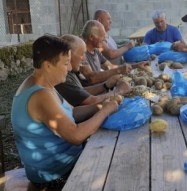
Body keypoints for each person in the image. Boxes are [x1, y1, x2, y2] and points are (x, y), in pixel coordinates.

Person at [11, 35, 118, 189]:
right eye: (66, 63)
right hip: (55, 177)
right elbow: (75, 136)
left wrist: (100, 105)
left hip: (68, 162)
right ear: (48, 66)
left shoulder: (43, 84)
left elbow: (72, 112)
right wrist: (105, 112)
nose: (69, 68)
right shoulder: (40, 95)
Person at [55, 34, 131, 107]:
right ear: (69, 55)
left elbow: (81, 92)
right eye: (82, 54)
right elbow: (90, 101)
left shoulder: (70, 71)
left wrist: (107, 84)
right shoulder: (62, 78)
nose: (84, 59)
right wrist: (118, 91)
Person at [80, 20, 150, 85]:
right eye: (102, 36)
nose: (105, 39)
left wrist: (136, 66)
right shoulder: (81, 54)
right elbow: (92, 78)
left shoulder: (96, 51)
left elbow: (110, 67)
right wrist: (119, 70)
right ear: (91, 37)